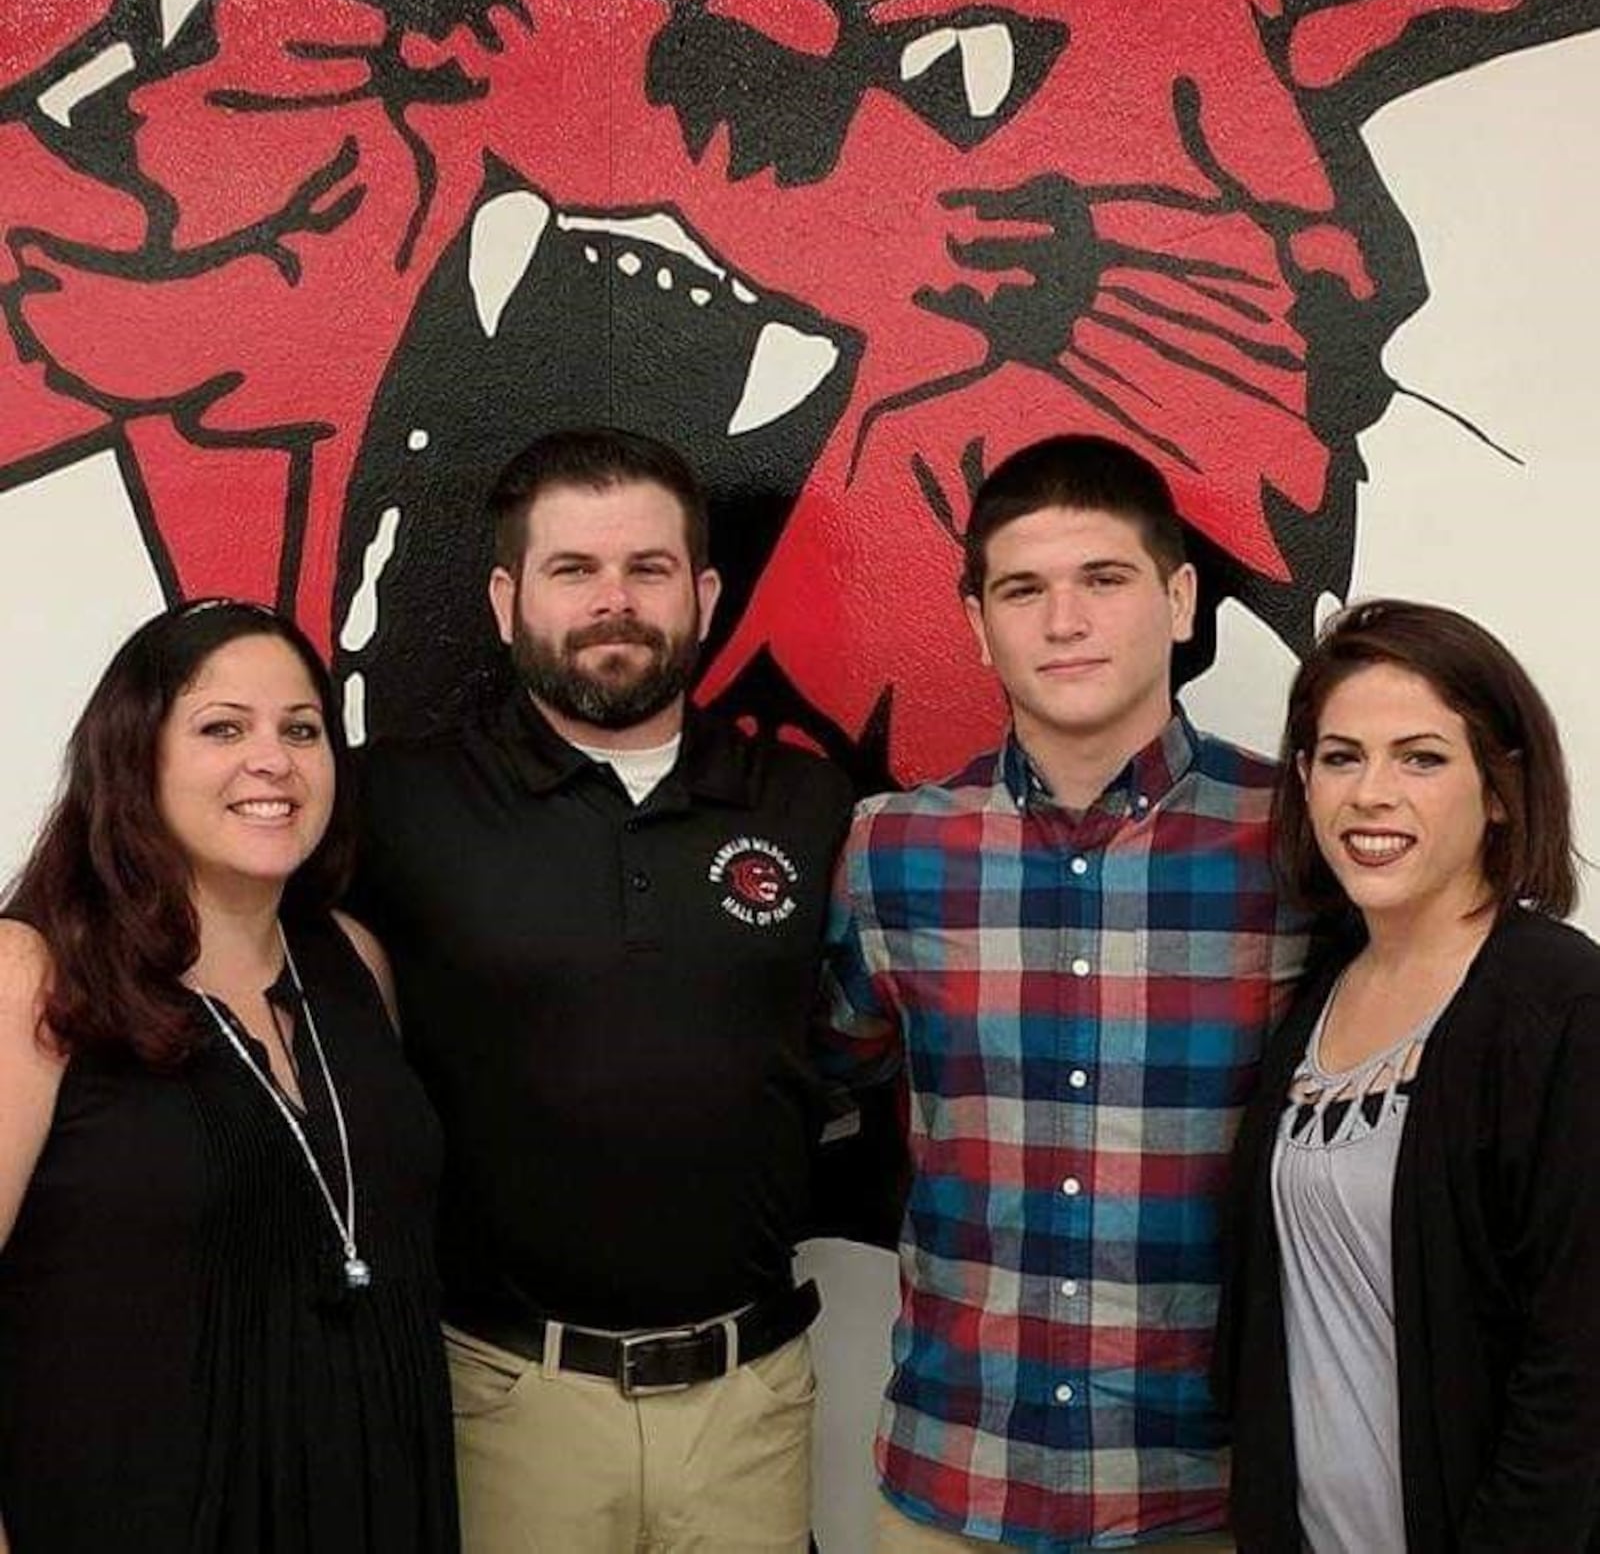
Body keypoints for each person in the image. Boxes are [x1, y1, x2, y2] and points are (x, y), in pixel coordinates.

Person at [349, 428, 856, 1553]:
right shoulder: (394, 806)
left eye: (648, 568)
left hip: (752, 1402)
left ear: (704, 593)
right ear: (504, 596)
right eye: (572, 569)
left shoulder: (809, 804)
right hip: (505, 1398)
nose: (612, 601)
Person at [827, 434, 1308, 1550]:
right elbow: (826, 1075)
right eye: (1023, 589)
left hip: (1201, 1495)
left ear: (1179, 598)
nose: (1064, 621)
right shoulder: (892, 852)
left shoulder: (1294, 844)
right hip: (952, 1483)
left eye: (1104, 579)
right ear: (975, 622)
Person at [0, 599, 456, 1554]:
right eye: (221, 728)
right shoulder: (30, 976)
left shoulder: (353, 963)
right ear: (136, 759)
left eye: (302, 730)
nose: (273, 760)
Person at [1218, 600, 1600, 1552]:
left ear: (1500, 789)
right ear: (1304, 782)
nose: (1371, 793)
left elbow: (1579, 1369)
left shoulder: (1561, 1004)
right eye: (1340, 757)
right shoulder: (1319, 988)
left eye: (1421, 758)